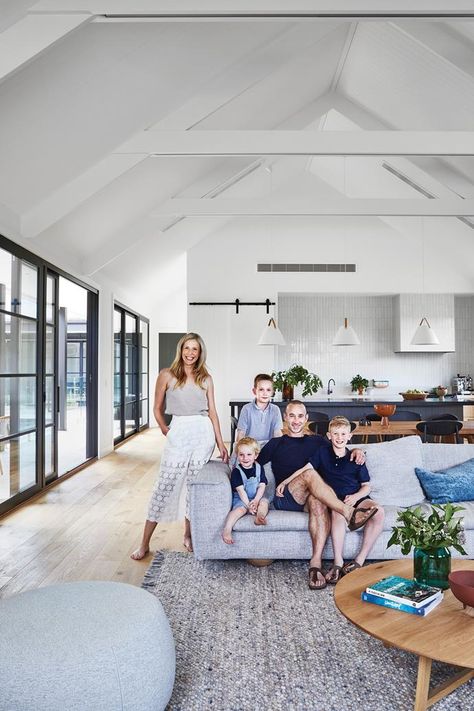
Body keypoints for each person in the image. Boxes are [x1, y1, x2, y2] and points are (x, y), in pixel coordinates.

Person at [131, 333, 228, 560]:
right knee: (165, 484)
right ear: (180, 349)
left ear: (200, 352)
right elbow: (157, 407)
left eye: (195, 349)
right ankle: (144, 542)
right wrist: (166, 429)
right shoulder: (166, 375)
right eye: (187, 348)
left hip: (202, 432)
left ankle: (188, 534)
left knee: (194, 484)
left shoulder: (206, 378)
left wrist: (220, 442)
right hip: (180, 430)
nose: (190, 353)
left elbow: (212, 412)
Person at [259, 401, 375, 590]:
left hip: (311, 497)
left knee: (317, 500)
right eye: (292, 416)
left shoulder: (318, 441)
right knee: (310, 474)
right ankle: (348, 512)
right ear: (285, 418)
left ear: (306, 419)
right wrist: (260, 495)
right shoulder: (276, 443)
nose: (296, 421)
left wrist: (357, 450)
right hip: (287, 497)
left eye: (300, 416)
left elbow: (341, 447)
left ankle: (315, 564)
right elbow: (253, 467)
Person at [279, 416, 384, 585]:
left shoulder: (356, 457)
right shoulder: (322, 453)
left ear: (350, 436)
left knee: (379, 512)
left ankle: (359, 561)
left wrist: (356, 497)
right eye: (336, 434)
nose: (339, 438)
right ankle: (338, 563)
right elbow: (306, 470)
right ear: (329, 435)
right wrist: (285, 481)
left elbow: (366, 486)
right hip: (336, 500)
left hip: (357, 498)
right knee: (337, 512)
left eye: (343, 434)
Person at [222, 437, 269, 544]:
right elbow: (241, 491)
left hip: (256, 497)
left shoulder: (259, 468)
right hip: (242, 499)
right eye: (241, 455)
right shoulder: (236, 472)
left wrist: (256, 501)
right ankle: (227, 529)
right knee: (239, 511)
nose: (245, 458)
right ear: (237, 455)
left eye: (249, 454)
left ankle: (259, 517)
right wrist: (248, 506)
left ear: (256, 455)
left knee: (264, 503)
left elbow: (262, 485)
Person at [235, 373, 283, 444]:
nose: (265, 393)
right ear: (254, 391)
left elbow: (277, 433)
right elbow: (241, 434)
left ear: (272, 392)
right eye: (261, 389)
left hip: (268, 447)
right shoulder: (246, 409)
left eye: (268, 390)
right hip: (249, 448)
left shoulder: (275, 410)